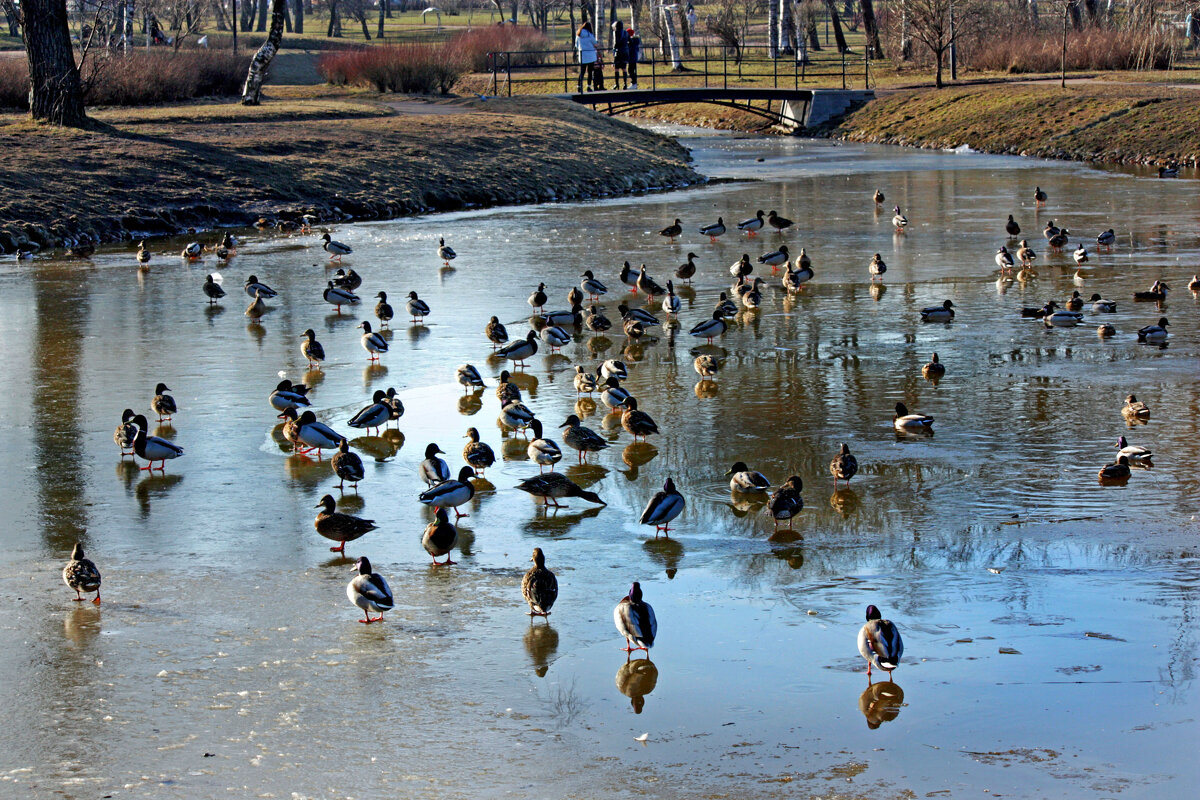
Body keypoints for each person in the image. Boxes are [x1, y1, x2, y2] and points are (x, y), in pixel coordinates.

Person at [575, 21, 597, 93]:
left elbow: (576, 45)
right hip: (590, 55)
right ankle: (589, 86)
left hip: (582, 55)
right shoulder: (589, 35)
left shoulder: (578, 35)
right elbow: (595, 44)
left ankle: (579, 86)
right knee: (590, 72)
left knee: (582, 72)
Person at [611, 20, 630, 90]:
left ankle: (617, 84)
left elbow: (616, 42)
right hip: (625, 52)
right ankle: (625, 84)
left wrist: (614, 49)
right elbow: (630, 41)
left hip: (618, 52)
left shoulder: (615, 32)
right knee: (624, 68)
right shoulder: (626, 32)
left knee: (616, 69)